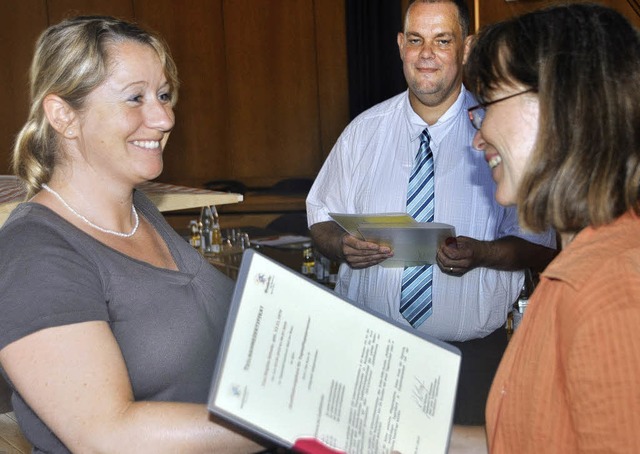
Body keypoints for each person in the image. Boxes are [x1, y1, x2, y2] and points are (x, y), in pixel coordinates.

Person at [0, 16, 265, 453]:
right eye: (134, 98)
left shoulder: (140, 210)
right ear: (64, 115)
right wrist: (296, 423)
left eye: (163, 95)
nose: (163, 118)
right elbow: (107, 436)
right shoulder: (34, 254)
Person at [306, 0, 557, 425]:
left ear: (466, 48)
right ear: (401, 46)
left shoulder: (497, 131)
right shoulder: (362, 132)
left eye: (443, 41)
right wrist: (343, 246)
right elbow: (321, 219)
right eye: (417, 40)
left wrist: (482, 254)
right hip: (368, 353)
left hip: (472, 364)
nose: (427, 54)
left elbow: (541, 247)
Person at [464, 4, 640, 452]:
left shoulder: (613, 287)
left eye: (487, 105)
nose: (477, 136)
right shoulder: (577, 266)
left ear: (562, 106)